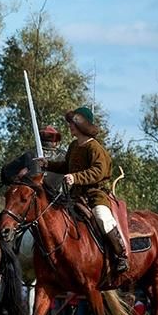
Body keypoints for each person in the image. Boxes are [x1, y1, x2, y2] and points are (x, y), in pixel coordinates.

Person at [40, 106, 127, 274]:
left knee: (102, 218)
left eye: (73, 123)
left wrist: (76, 177)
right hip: (74, 197)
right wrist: (48, 164)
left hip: (94, 195)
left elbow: (98, 171)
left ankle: (120, 255)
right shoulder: (73, 146)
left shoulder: (95, 148)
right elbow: (67, 166)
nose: (70, 126)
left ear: (83, 125)